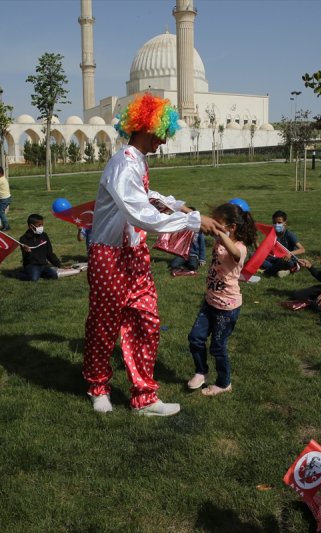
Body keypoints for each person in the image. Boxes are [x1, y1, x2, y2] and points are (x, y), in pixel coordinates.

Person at [82, 92, 222, 416]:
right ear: (147, 126)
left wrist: (176, 204)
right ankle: (98, 386)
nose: (163, 140)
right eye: (162, 133)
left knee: (146, 322)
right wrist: (192, 220)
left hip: (134, 254)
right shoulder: (122, 163)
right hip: (109, 256)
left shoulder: (138, 161)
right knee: (104, 324)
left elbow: (146, 195)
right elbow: (138, 214)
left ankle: (144, 396)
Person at [187, 202, 254, 396]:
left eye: (219, 223)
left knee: (218, 346)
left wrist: (220, 234)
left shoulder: (240, 248)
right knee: (195, 338)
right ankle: (201, 372)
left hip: (227, 307)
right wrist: (183, 209)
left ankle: (224, 383)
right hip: (210, 301)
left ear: (231, 228)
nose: (214, 226)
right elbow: (195, 216)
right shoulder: (220, 239)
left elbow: (234, 253)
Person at [18, 214, 62, 281]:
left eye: (42, 225)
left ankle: (40, 273)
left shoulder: (44, 235)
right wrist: (26, 251)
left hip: (43, 264)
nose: (41, 227)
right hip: (32, 265)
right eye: (39, 225)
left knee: (54, 276)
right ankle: (19, 274)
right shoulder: (24, 239)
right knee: (34, 279)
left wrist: (59, 264)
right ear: (31, 226)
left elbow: (49, 253)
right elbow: (26, 258)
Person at [261, 210, 304, 277]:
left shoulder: (289, 235)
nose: (277, 225)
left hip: (288, 260)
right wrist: (255, 241)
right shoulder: (272, 235)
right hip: (276, 258)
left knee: (284, 262)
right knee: (254, 255)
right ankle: (284, 270)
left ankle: (269, 271)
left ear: (285, 223)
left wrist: (290, 253)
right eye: (274, 222)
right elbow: (263, 250)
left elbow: (302, 249)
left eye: (279, 222)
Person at [169, 205, 207, 276]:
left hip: (193, 254)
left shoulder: (198, 231)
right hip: (182, 254)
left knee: (193, 266)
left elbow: (202, 245)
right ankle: (179, 270)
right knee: (173, 264)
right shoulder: (182, 229)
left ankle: (189, 269)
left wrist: (202, 259)